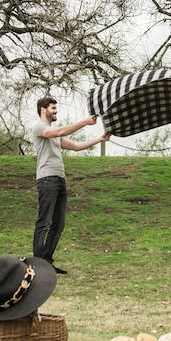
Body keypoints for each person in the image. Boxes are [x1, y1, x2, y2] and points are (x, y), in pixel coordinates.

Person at [31, 96, 111, 274]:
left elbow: (75, 146)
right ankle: (36, 265)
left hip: (59, 180)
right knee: (44, 223)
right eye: (53, 108)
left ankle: (46, 261)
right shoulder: (40, 128)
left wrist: (100, 139)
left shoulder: (53, 133)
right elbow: (59, 132)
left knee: (59, 223)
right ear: (43, 110)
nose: (56, 111)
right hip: (47, 180)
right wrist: (84, 122)